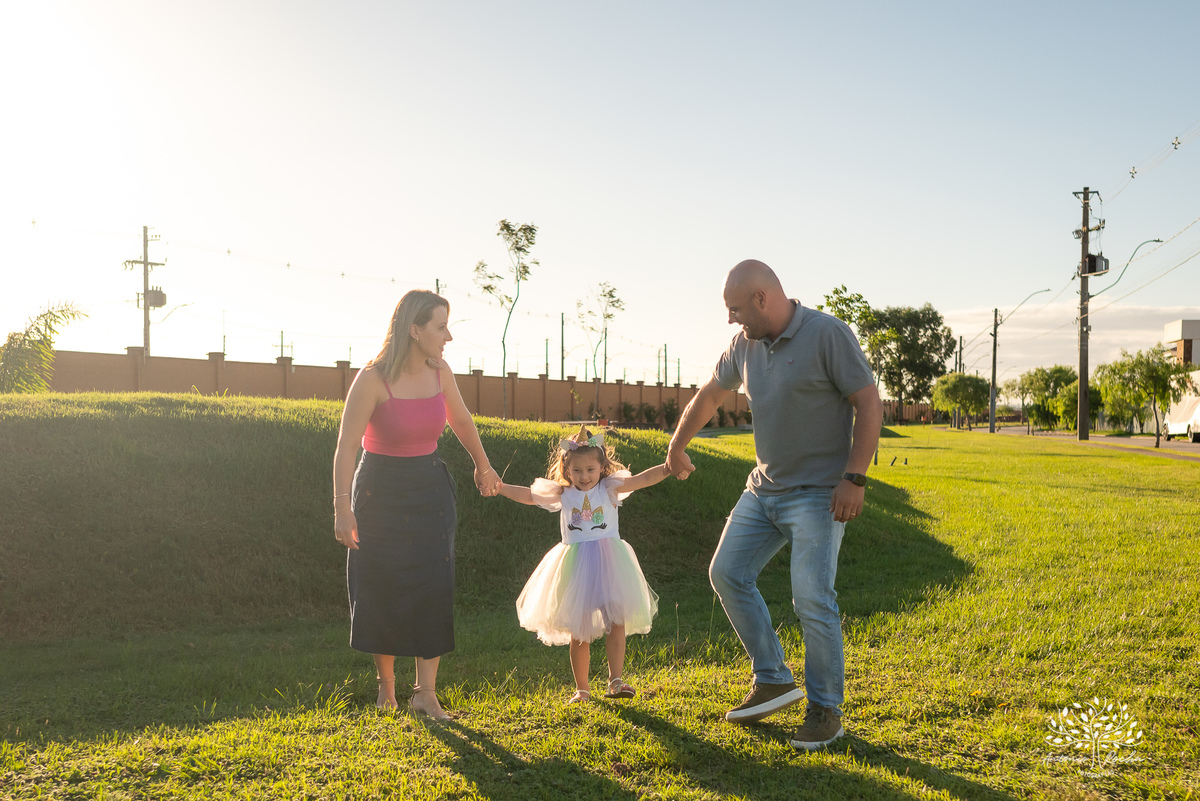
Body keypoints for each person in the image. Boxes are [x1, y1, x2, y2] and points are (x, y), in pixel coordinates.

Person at [666, 259, 883, 751]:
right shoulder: (745, 345)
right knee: (727, 573)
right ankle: (773, 678)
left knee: (811, 597)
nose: (731, 319)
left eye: (736, 308)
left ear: (762, 299)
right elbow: (709, 395)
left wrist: (855, 478)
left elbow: (869, 403)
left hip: (818, 495)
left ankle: (825, 708)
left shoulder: (828, 335)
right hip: (763, 490)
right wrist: (678, 446)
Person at [332, 289, 500, 720]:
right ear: (415, 329)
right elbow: (347, 447)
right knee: (381, 584)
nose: (448, 337)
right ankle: (387, 688)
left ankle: (426, 693)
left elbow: (461, 420)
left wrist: (483, 466)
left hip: (430, 488)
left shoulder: (440, 372)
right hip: (379, 492)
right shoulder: (372, 379)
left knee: (433, 584)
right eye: (441, 327)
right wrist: (341, 508)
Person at [496, 425, 674, 703]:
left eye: (590, 470)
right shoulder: (563, 494)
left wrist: (667, 468)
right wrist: (501, 488)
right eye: (577, 471)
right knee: (579, 630)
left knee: (617, 622)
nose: (584, 476)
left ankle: (616, 680)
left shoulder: (610, 487)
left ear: (602, 466)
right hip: (576, 566)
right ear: (567, 470)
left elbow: (642, 479)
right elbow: (529, 497)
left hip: (611, 563)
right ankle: (582, 688)